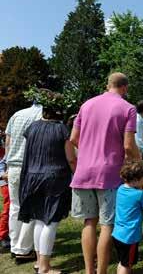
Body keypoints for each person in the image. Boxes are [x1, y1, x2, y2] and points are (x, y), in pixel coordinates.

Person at [70, 72, 140, 274]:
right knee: (107, 225)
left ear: (107, 84)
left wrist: (89, 150)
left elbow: (74, 138)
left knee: (89, 223)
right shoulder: (128, 108)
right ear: (125, 88)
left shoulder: (87, 104)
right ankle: (101, 271)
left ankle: (88, 271)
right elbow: (128, 146)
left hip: (84, 172)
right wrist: (140, 162)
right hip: (109, 173)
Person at [18, 90, 77, 274]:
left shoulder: (32, 127)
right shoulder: (62, 129)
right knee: (50, 222)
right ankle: (44, 267)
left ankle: (39, 263)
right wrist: (78, 174)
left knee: (37, 220)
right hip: (54, 179)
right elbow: (71, 158)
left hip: (32, 177)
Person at [5, 97, 43, 262]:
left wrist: (7, 164)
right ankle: (24, 248)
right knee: (32, 208)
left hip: (13, 165)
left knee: (15, 207)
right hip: (31, 166)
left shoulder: (17, 115)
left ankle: (15, 246)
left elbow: (8, 142)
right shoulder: (43, 115)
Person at [112, 161, 143, 274]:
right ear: (135, 180)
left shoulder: (120, 189)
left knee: (122, 261)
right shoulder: (139, 194)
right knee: (127, 265)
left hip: (117, 234)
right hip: (130, 237)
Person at [0, 157, 9, 251]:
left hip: (7, 178)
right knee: (8, 207)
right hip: (5, 180)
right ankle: (2, 236)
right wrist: (2, 174)